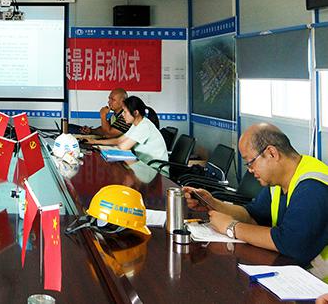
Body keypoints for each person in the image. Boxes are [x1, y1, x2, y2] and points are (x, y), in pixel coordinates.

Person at [184, 123, 328, 281]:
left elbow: (290, 243)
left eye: (250, 162)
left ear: (272, 153)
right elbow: (252, 215)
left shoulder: (312, 186)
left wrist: (231, 228)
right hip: (292, 271)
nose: (250, 170)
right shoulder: (279, 181)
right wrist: (212, 203)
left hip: (318, 283)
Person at [94, 96, 167, 167]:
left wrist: (101, 148)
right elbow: (119, 140)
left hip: (155, 169)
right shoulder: (136, 124)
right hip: (143, 165)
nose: (123, 115)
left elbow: (123, 147)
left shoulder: (144, 126)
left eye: (125, 112)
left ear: (135, 113)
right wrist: (94, 142)